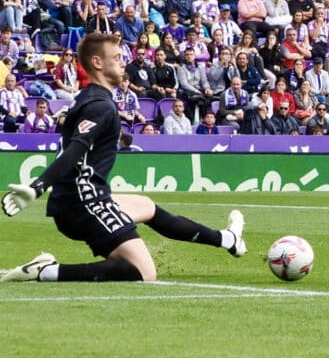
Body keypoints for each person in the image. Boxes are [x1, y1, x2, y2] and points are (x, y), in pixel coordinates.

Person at [0, 33, 246, 283]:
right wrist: (37, 187)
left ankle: (227, 239)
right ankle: (46, 271)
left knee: (147, 207)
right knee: (144, 272)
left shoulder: (89, 98)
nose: (123, 62)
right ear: (97, 62)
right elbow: (75, 149)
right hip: (82, 201)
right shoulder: (100, 106)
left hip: (76, 197)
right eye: (116, 57)